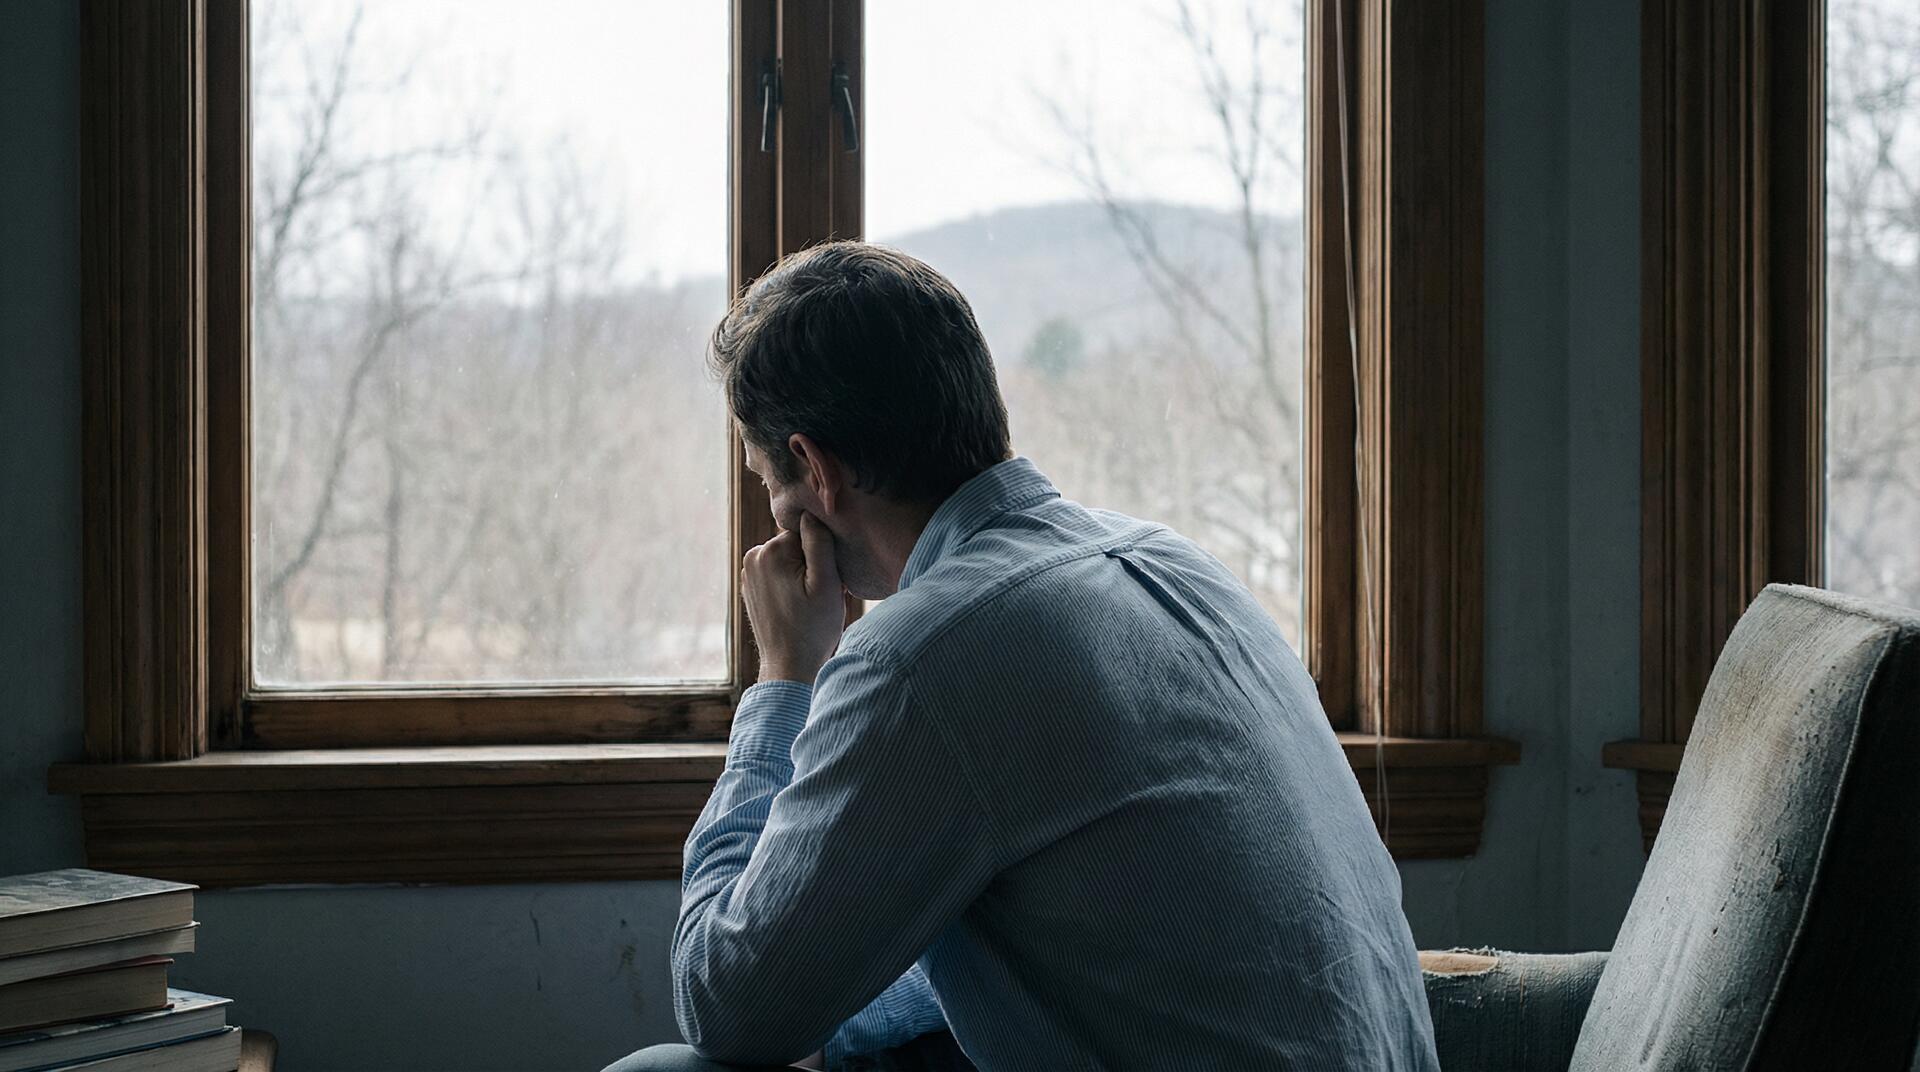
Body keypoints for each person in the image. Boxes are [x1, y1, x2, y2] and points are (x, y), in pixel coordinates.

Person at [603, 242, 1439, 1072]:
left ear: (814, 471)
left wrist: (785, 677)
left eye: (766, 481)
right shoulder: (1174, 562)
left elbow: (726, 1005)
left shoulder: (923, 657)